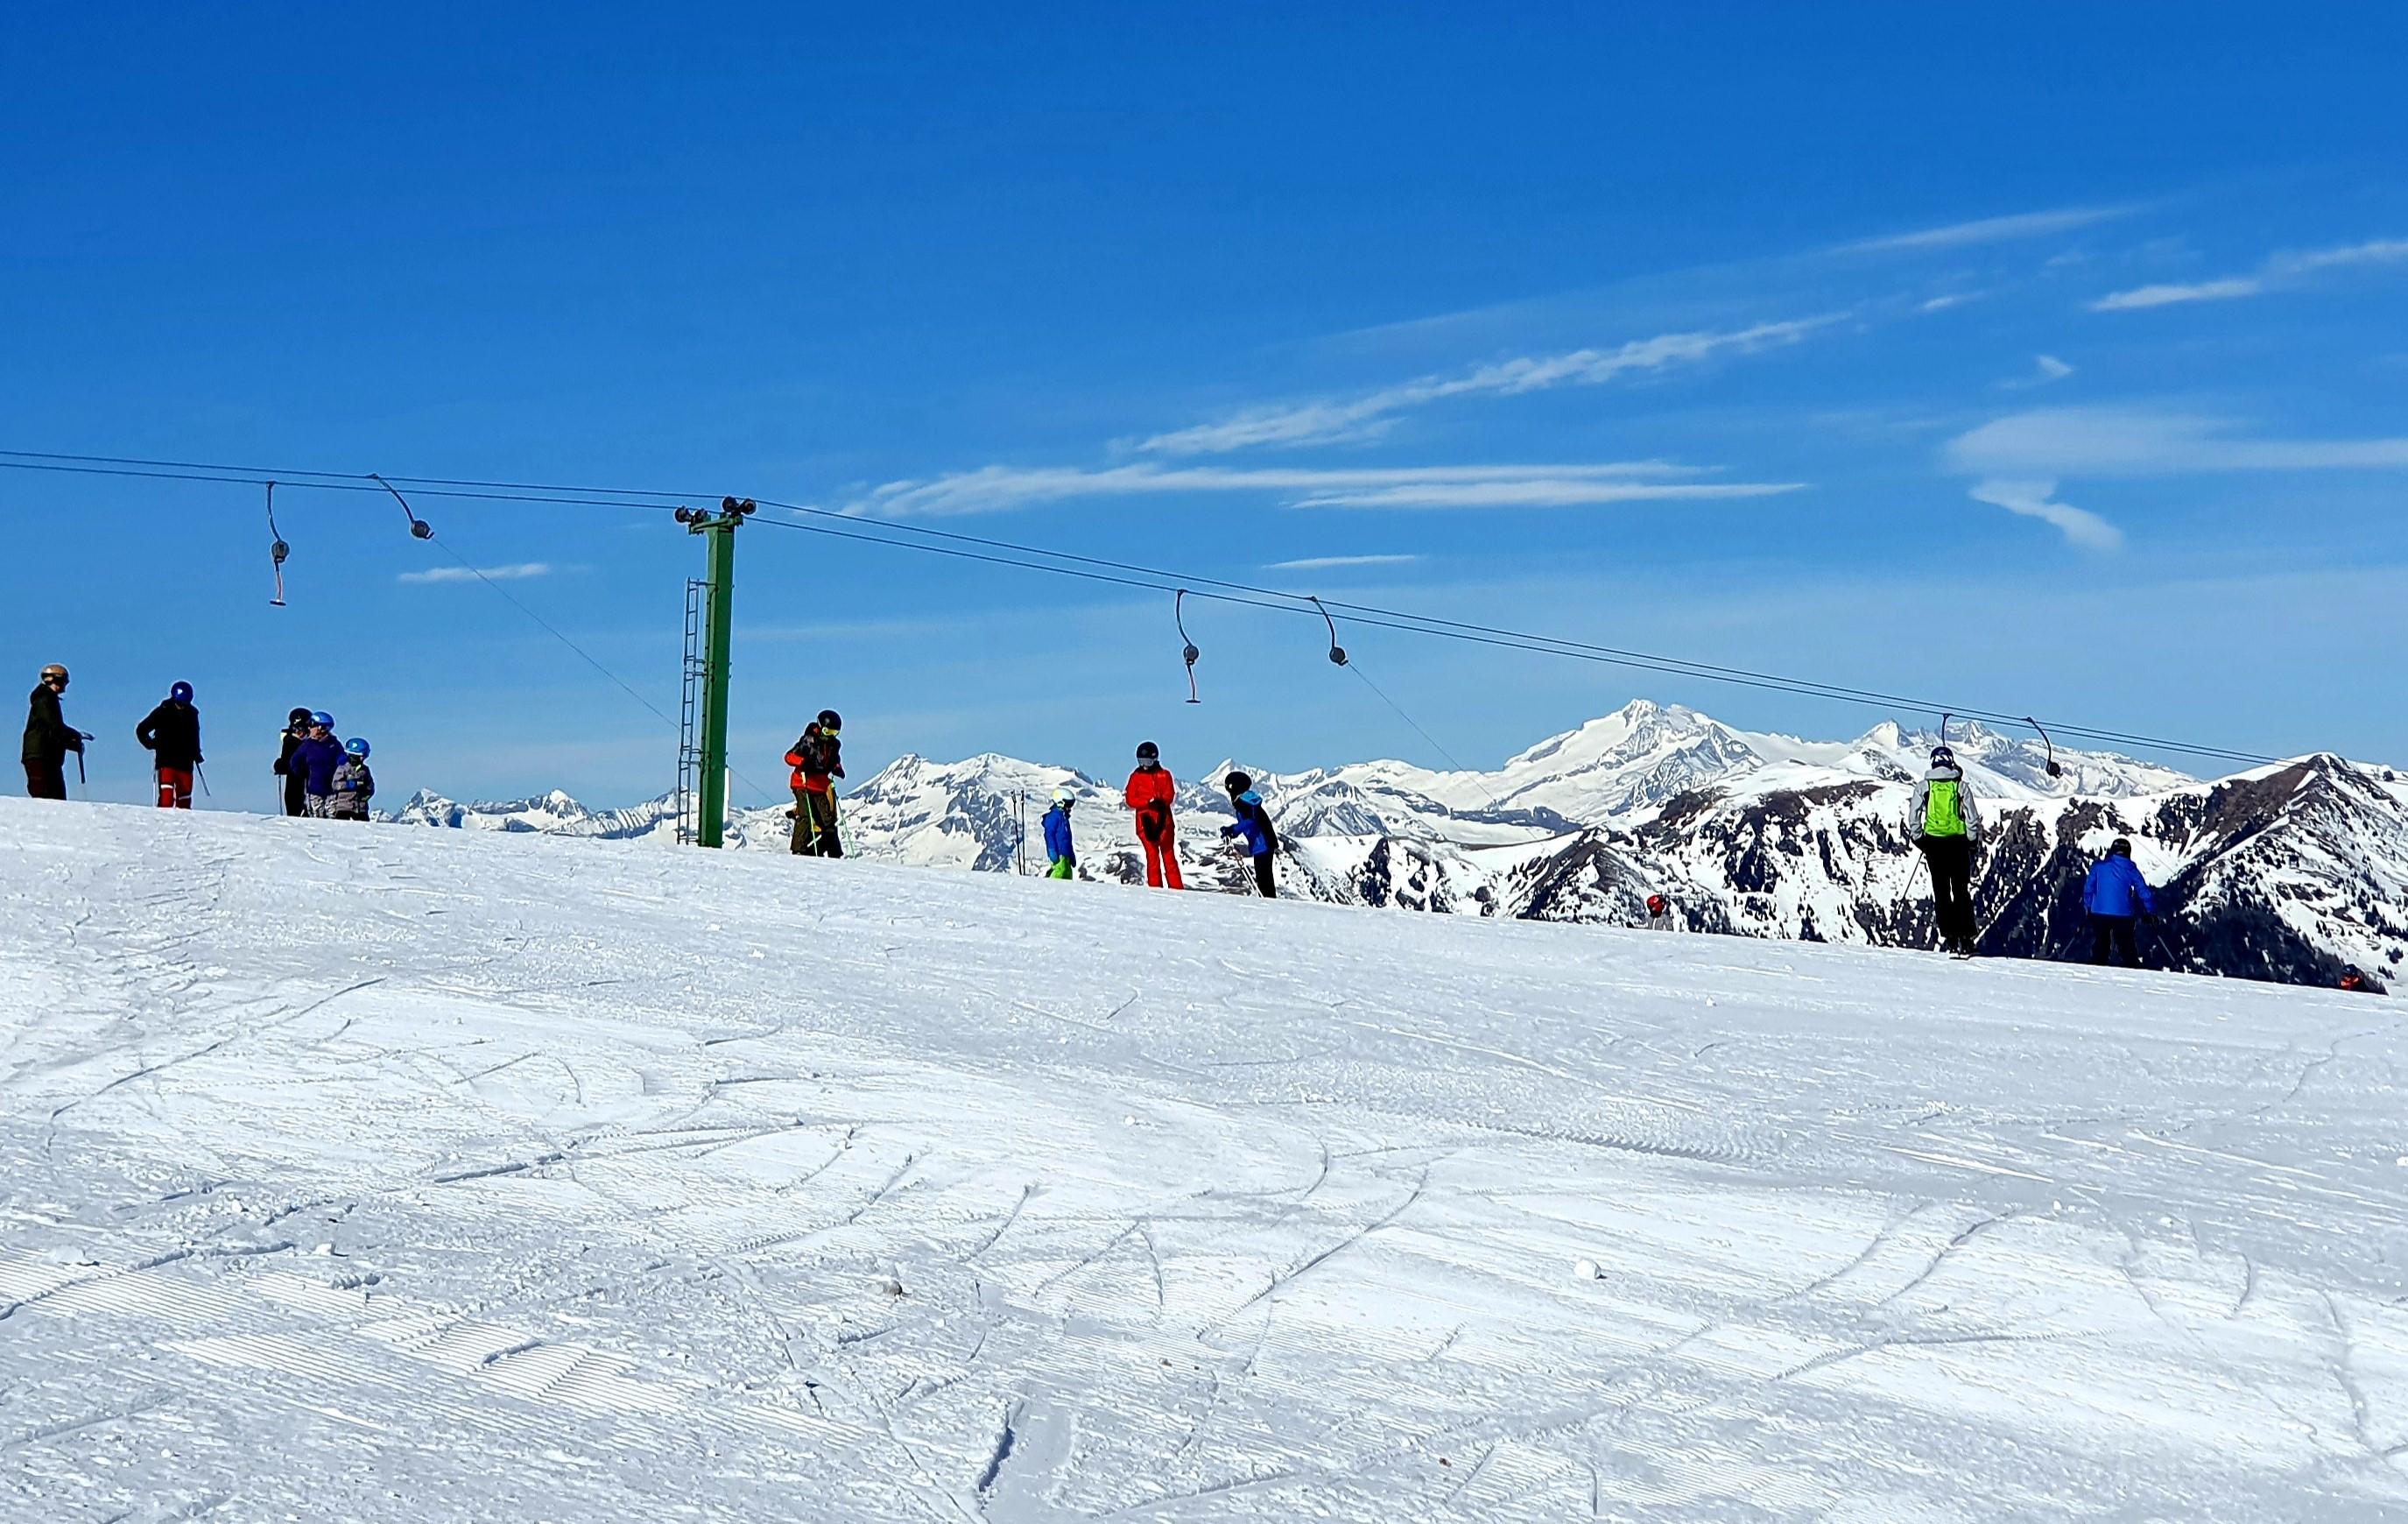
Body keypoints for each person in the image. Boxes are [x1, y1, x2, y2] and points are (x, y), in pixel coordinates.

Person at [1910, 744, 1982, 957]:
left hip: (1934, 843)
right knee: (1960, 890)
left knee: (1941, 891)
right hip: (1958, 843)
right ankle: (1966, 938)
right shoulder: (1960, 787)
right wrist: (1971, 840)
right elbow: (1971, 817)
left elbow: (1914, 815)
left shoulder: (1924, 787)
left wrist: (1919, 838)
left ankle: (1949, 937)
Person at [2081, 836, 2157, 968]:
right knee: (2126, 946)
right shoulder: (2131, 870)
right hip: (2123, 914)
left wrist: (2088, 906)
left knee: (2101, 944)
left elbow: (2088, 888)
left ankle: (2097, 969)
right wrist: (2150, 911)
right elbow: (2143, 891)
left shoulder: (2099, 866)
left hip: (2099, 912)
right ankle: (2133, 970)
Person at [784, 708, 846, 857]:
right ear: (820, 727)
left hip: (820, 786)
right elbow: (789, 756)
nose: (829, 736)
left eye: (834, 733)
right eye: (827, 732)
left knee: (828, 821)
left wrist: (837, 768)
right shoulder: (808, 740)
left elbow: (834, 760)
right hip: (802, 783)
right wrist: (802, 761)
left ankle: (834, 853)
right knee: (805, 815)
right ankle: (798, 850)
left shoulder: (834, 745)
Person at [135, 681, 204, 809]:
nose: (182, 706)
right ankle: (164, 826)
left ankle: (185, 827)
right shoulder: (162, 711)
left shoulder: (192, 714)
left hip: (185, 764)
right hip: (166, 762)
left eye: (186, 703)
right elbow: (141, 729)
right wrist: (150, 744)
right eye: (180, 703)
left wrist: (196, 753)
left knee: (184, 802)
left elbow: (195, 735)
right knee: (166, 800)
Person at [1123, 741, 1183, 890]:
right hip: (1146, 823)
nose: (1144, 765)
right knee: (1152, 858)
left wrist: (1160, 802)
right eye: (1141, 761)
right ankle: (1155, 889)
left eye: (1147, 761)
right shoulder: (1135, 777)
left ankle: (1177, 889)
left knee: (1169, 857)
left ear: (1155, 759)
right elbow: (1130, 799)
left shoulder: (1164, 775)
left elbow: (1170, 794)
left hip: (1164, 822)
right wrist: (1147, 802)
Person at [22, 663, 82, 800]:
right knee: (48, 798)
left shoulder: (46, 698)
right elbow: (54, 727)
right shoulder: (45, 699)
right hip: (41, 756)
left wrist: (70, 741)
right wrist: (73, 736)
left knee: (54, 797)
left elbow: (54, 729)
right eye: (64, 681)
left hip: (45, 756)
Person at [1219, 771, 1280, 898]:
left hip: (1262, 844)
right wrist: (1233, 831)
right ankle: (1269, 901)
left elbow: (1250, 822)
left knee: (1264, 878)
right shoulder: (1248, 802)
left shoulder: (1244, 803)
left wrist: (1233, 830)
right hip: (1263, 843)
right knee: (1264, 878)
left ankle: (1270, 903)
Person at [288, 711, 347, 819]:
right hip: (314, 791)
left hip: (332, 791)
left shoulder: (334, 744)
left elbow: (343, 760)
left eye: (312, 725)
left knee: (333, 820)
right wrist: (300, 772)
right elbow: (295, 760)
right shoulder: (308, 745)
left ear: (321, 728)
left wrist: (341, 765)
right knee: (316, 820)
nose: (309, 728)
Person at [272, 707, 313, 817]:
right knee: (295, 813)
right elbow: (288, 762)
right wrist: (280, 765)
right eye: (296, 729)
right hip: (294, 787)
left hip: (306, 787)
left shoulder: (309, 744)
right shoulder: (290, 742)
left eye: (302, 729)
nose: (299, 732)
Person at [328, 738, 376, 822]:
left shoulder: (365, 770)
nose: (362, 759)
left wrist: (366, 792)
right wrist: (349, 784)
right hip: (344, 807)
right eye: (361, 757)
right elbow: (335, 785)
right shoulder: (343, 769)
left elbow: (371, 787)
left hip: (361, 808)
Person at [1041, 787, 1076, 879]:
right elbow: (1049, 835)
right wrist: (1052, 851)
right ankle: (1049, 887)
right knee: (1059, 872)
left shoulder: (1064, 819)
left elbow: (1068, 839)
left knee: (1067, 874)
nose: (1070, 808)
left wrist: (1071, 854)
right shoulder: (1054, 817)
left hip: (1066, 856)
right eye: (1068, 805)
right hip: (1058, 854)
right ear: (1061, 803)